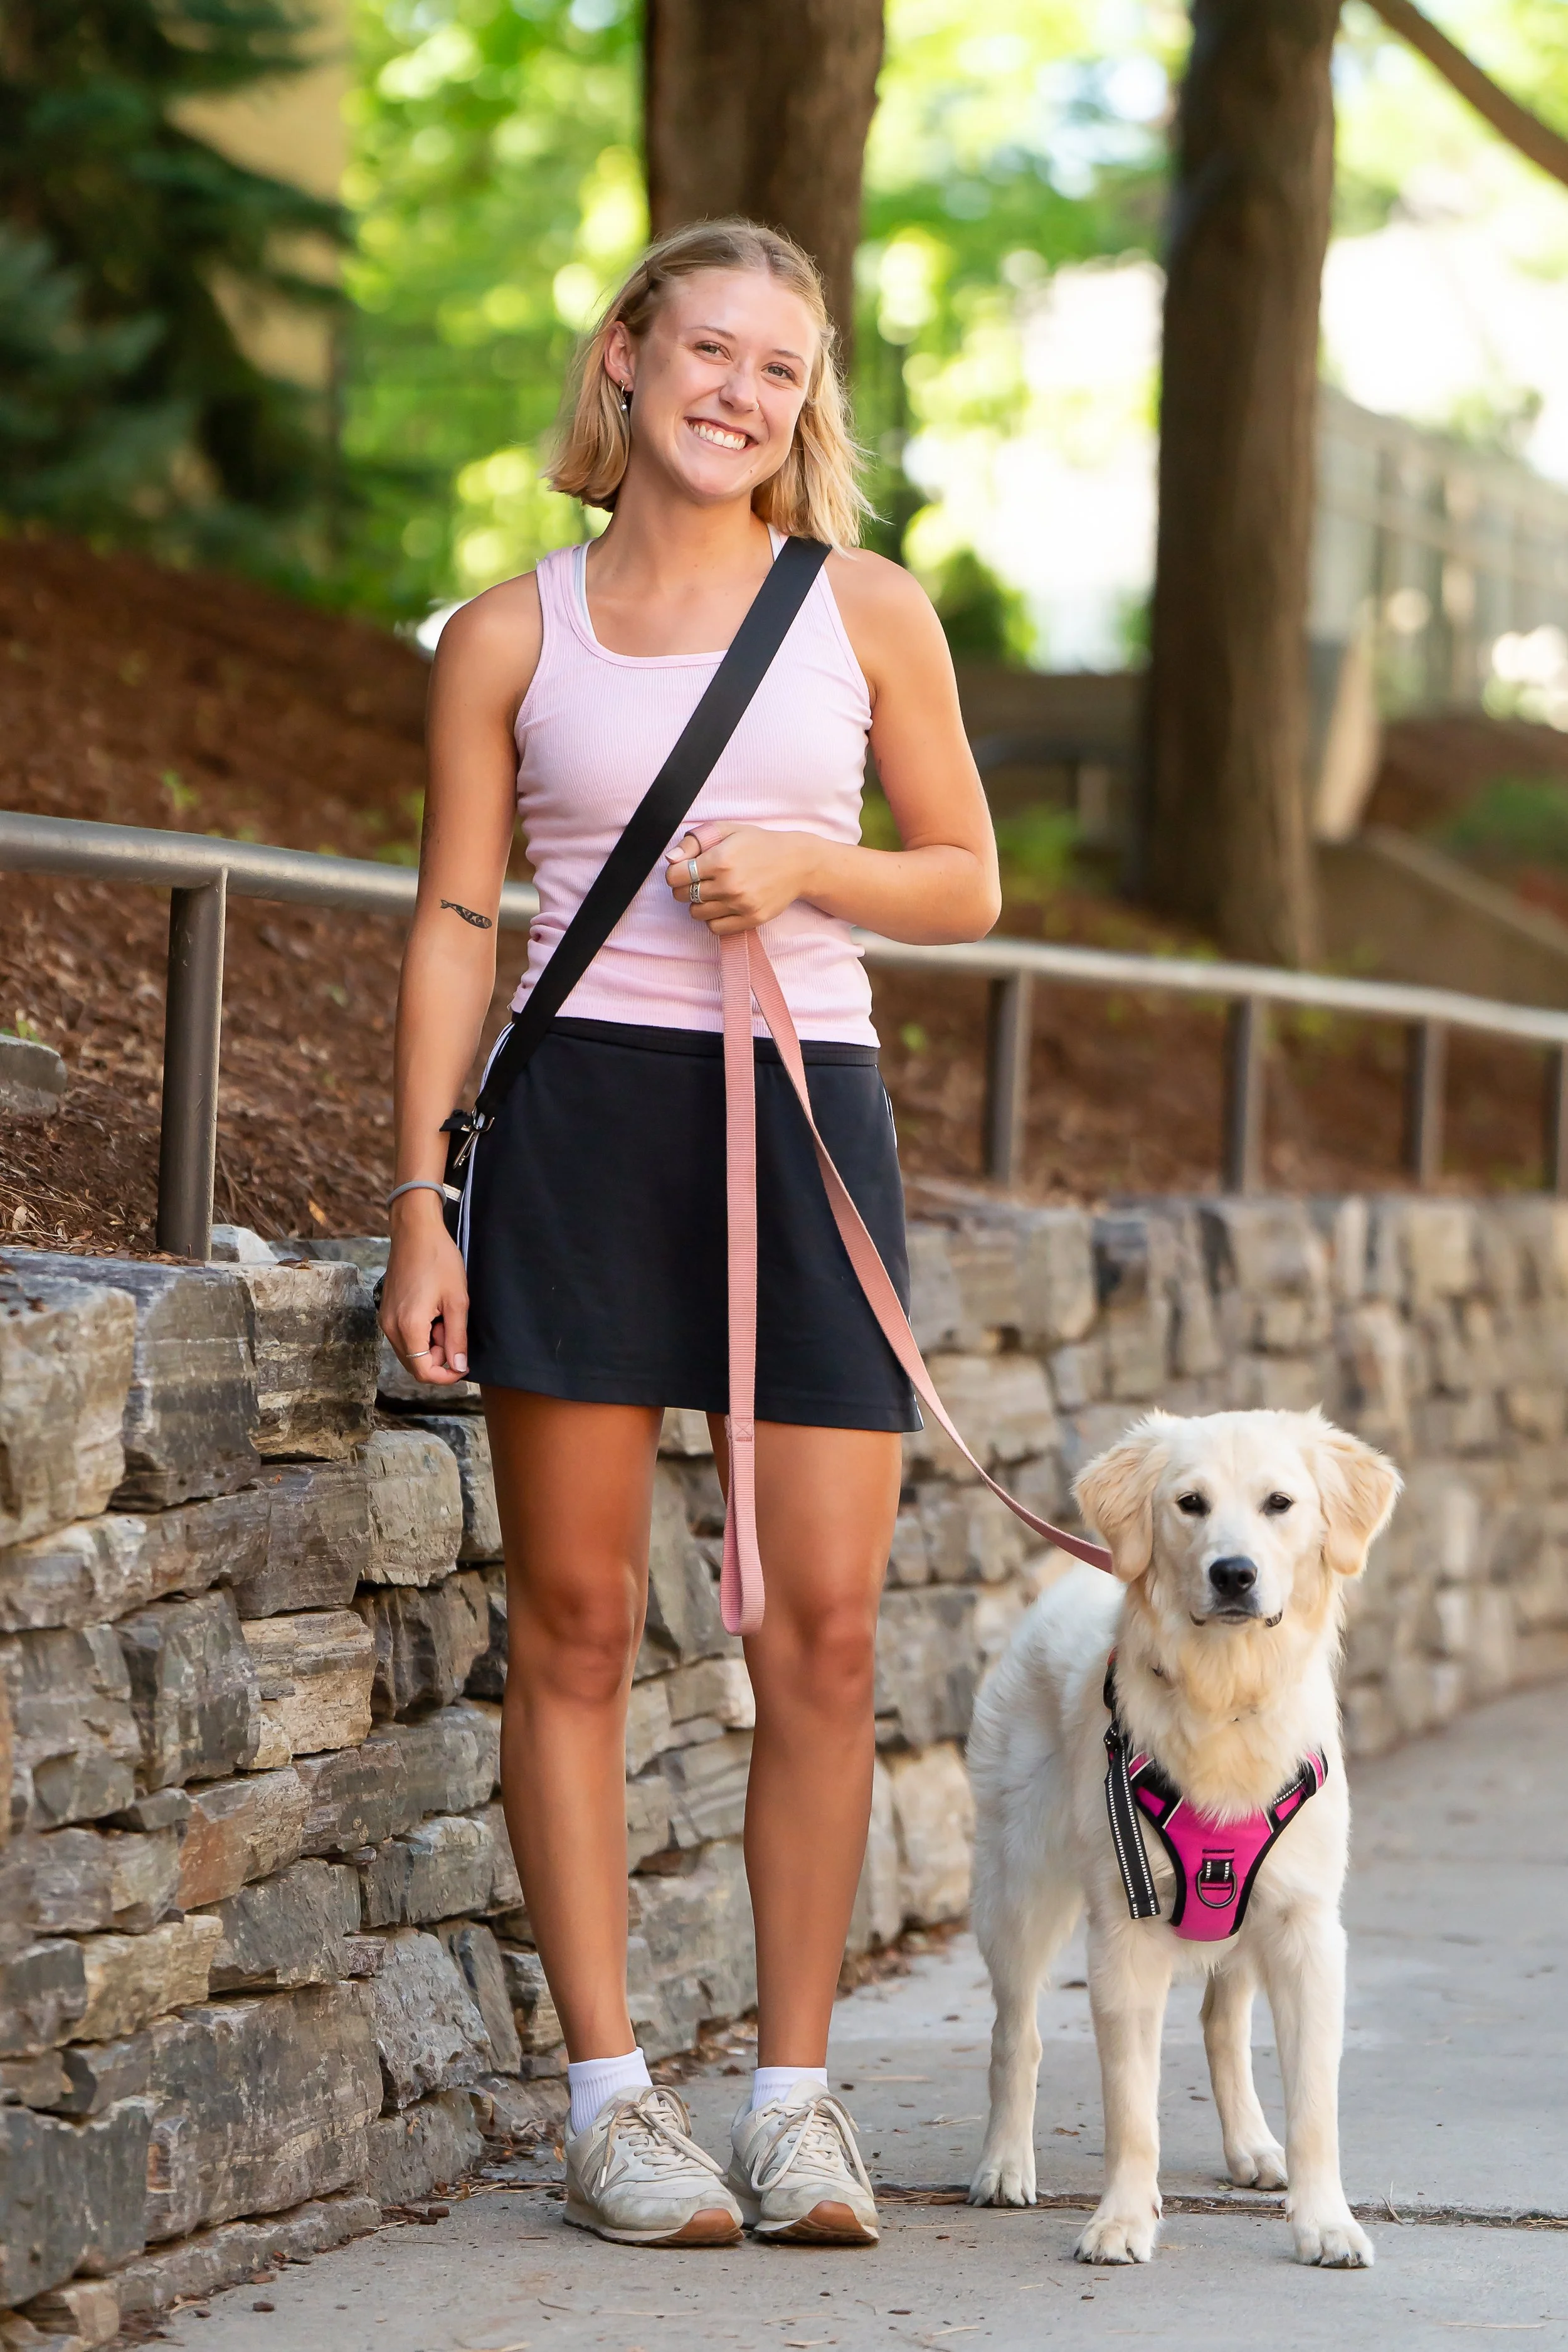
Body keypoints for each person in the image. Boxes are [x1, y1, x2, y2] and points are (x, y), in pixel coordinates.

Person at [379, 218, 1001, 2250]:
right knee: (568, 1626)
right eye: (707, 349)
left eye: (782, 369)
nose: (741, 392)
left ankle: (798, 2104)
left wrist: (816, 859)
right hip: (573, 1132)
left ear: (802, 404)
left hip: (799, 1108)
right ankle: (608, 2101)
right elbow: (460, 924)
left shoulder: (862, 611)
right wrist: (418, 1206)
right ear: (627, 358)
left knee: (816, 1631)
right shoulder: (506, 631)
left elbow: (966, 882)